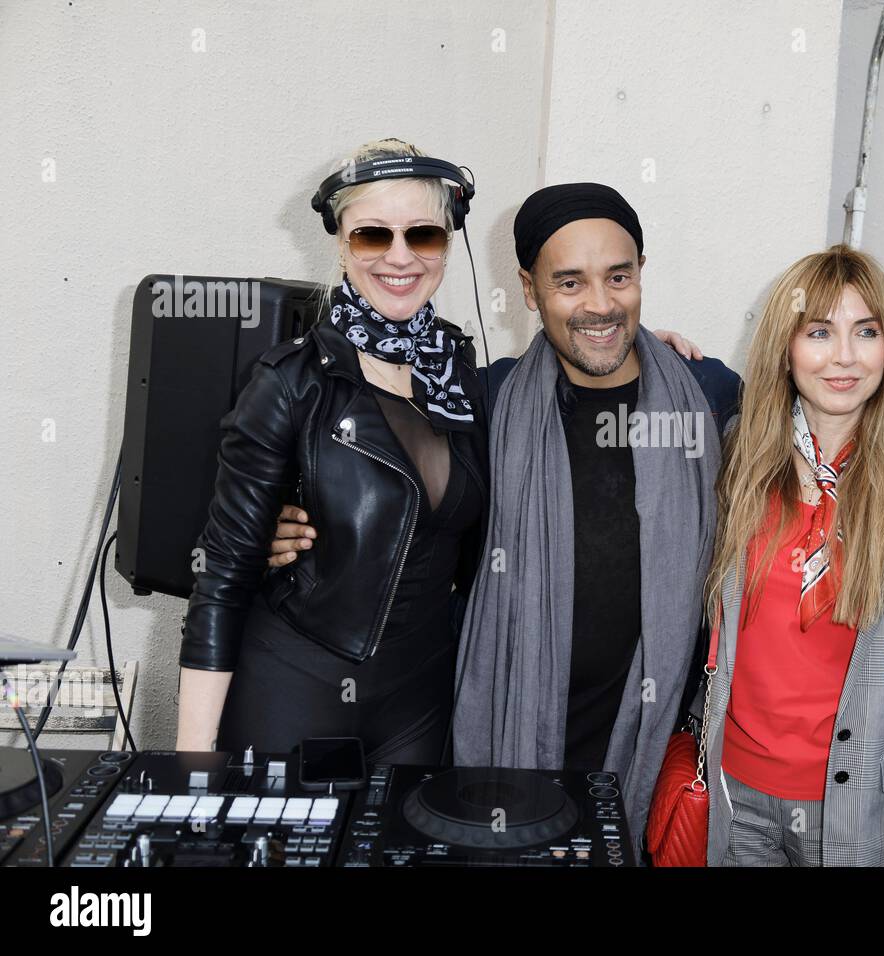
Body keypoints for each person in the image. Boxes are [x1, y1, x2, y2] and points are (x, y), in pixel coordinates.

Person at [271, 183, 741, 862]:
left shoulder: (707, 394)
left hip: (648, 734)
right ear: (529, 289)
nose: (601, 305)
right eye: (570, 282)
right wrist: (281, 524)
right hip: (503, 728)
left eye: (619, 277)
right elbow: (388, 501)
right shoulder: (481, 401)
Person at [176, 138, 490, 763]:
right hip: (293, 690)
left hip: (420, 703)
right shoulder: (290, 381)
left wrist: (652, 349)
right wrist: (191, 761)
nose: (400, 257)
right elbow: (222, 577)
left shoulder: (460, 372)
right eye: (373, 236)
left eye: (422, 234)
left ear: (448, 244)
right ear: (340, 243)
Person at [700, 244, 884, 866]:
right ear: (786, 346)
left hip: (862, 812)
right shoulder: (734, 466)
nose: (845, 358)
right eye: (820, 332)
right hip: (737, 799)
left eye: (866, 332)